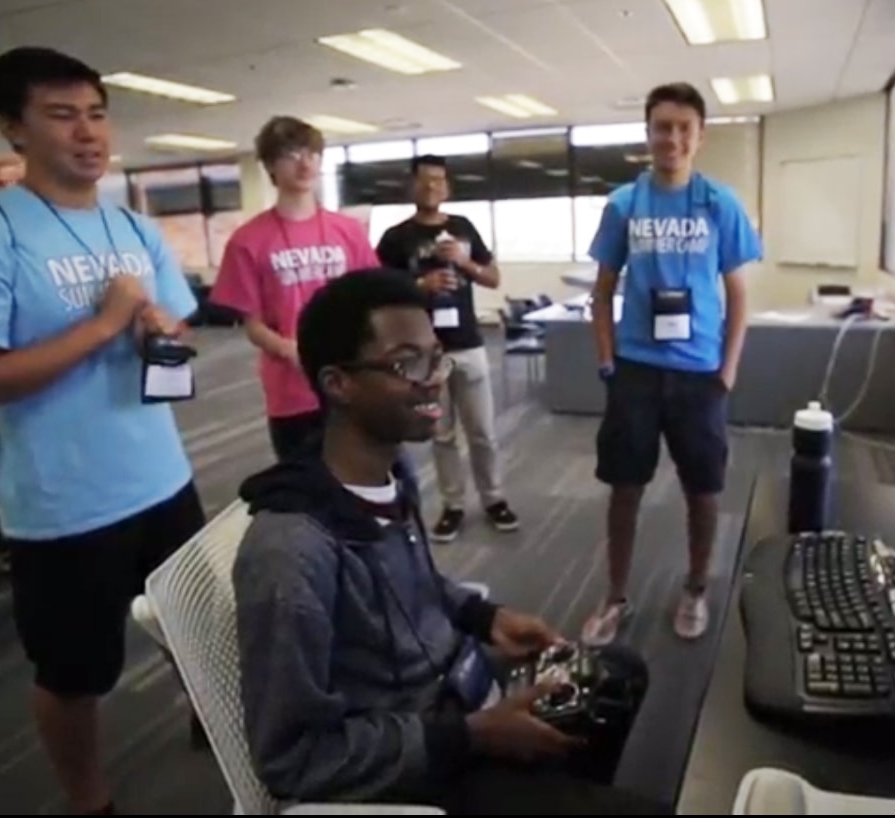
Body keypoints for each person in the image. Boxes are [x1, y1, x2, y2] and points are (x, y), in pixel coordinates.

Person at [232, 268, 670, 814]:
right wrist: (471, 737)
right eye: (406, 363)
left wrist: (485, 617)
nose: (434, 377)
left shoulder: (390, 478)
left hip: (459, 698)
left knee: (619, 673)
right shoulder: (291, 553)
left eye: (435, 356)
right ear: (337, 383)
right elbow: (293, 759)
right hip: (416, 766)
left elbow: (417, 584)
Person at [0, 47, 206, 815]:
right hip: (64, 504)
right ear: (14, 129)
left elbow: (178, 325)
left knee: (196, 622)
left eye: (97, 113)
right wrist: (104, 321)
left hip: (163, 477)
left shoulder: (132, 227)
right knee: (75, 673)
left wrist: (153, 329)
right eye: (62, 114)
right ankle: (88, 800)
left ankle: (211, 716)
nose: (88, 132)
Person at [580, 82, 763, 646]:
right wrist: (608, 361)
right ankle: (615, 597)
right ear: (648, 134)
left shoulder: (719, 204)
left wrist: (726, 373)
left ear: (700, 137)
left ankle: (695, 588)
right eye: (663, 127)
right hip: (634, 370)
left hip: (699, 375)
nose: (673, 138)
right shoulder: (623, 205)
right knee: (625, 487)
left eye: (685, 128)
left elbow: (737, 295)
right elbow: (603, 290)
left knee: (703, 489)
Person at [211, 115, 378, 460]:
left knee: (373, 484)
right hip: (293, 391)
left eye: (311, 153)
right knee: (308, 492)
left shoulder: (348, 230)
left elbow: (370, 298)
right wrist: (297, 352)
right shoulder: (248, 240)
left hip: (355, 381)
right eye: (291, 154)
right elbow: (253, 325)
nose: (304, 163)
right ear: (271, 165)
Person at [375, 154, 519, 540]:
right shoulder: (395, 237)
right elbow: (379, 292)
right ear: (411, 186)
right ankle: (453, 505)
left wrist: (465, 263)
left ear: (447, 186)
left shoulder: (462, 228)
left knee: (483, 432)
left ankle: (494, 499)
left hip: (468, 345)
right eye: (424, 181)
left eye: (439, 181)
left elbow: (492, 277)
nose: (432, 187)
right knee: (441, 435)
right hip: (424, 352)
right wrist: (420, 287)